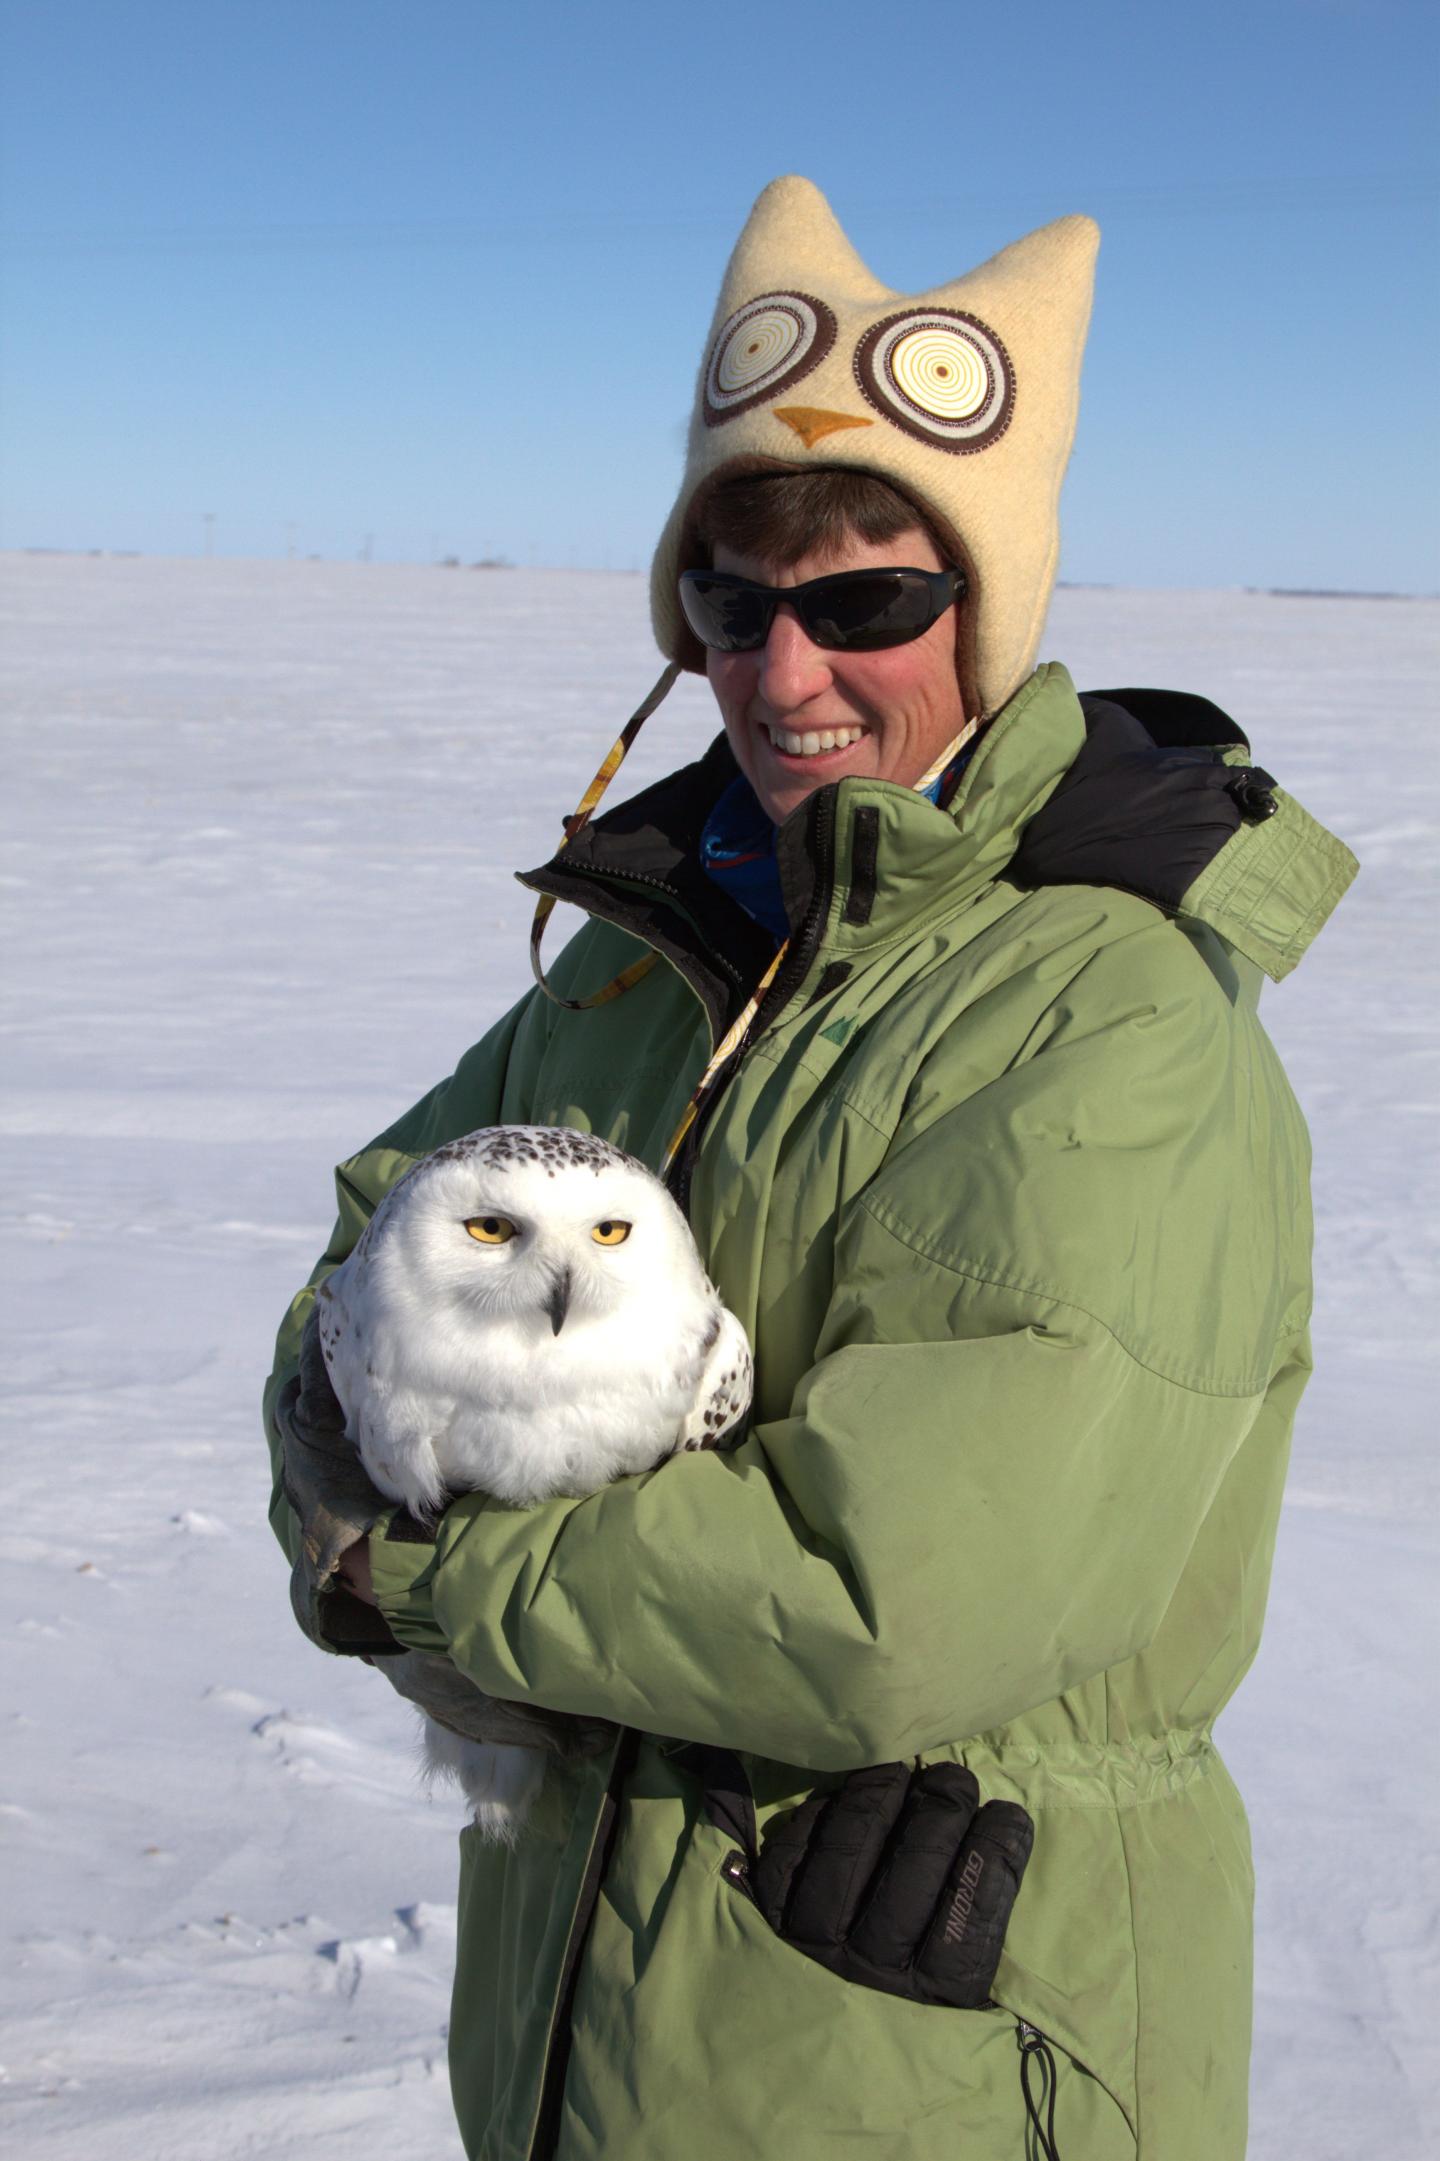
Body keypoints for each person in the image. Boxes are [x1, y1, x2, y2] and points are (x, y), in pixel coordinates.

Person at [264, 177, 1357, 2160]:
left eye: (865, 603)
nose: (785, 681)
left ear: (991, 608)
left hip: (922, 2052)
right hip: (591, 2026)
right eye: (730, 607)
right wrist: (335, 1450)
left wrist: (411, 1553)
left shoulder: (1105, 1027)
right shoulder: (650, 957)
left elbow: (890, 1600)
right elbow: (367, 1264)